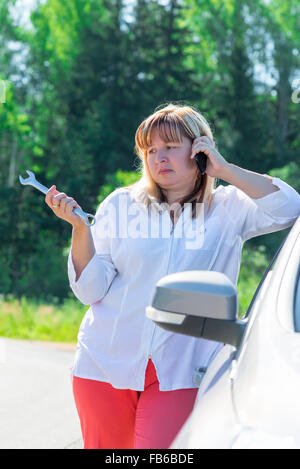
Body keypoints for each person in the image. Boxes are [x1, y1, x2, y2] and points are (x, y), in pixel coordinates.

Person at [45, 103, 300, 449]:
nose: (159, 157)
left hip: (182, 370)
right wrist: (79, 230)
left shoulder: (229, 208)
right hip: (103, 365)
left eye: (171, 147)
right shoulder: (121, 204)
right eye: (151, 150)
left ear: (199, 150)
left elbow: (290, 208)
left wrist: (224, 169)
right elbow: (91, 289)